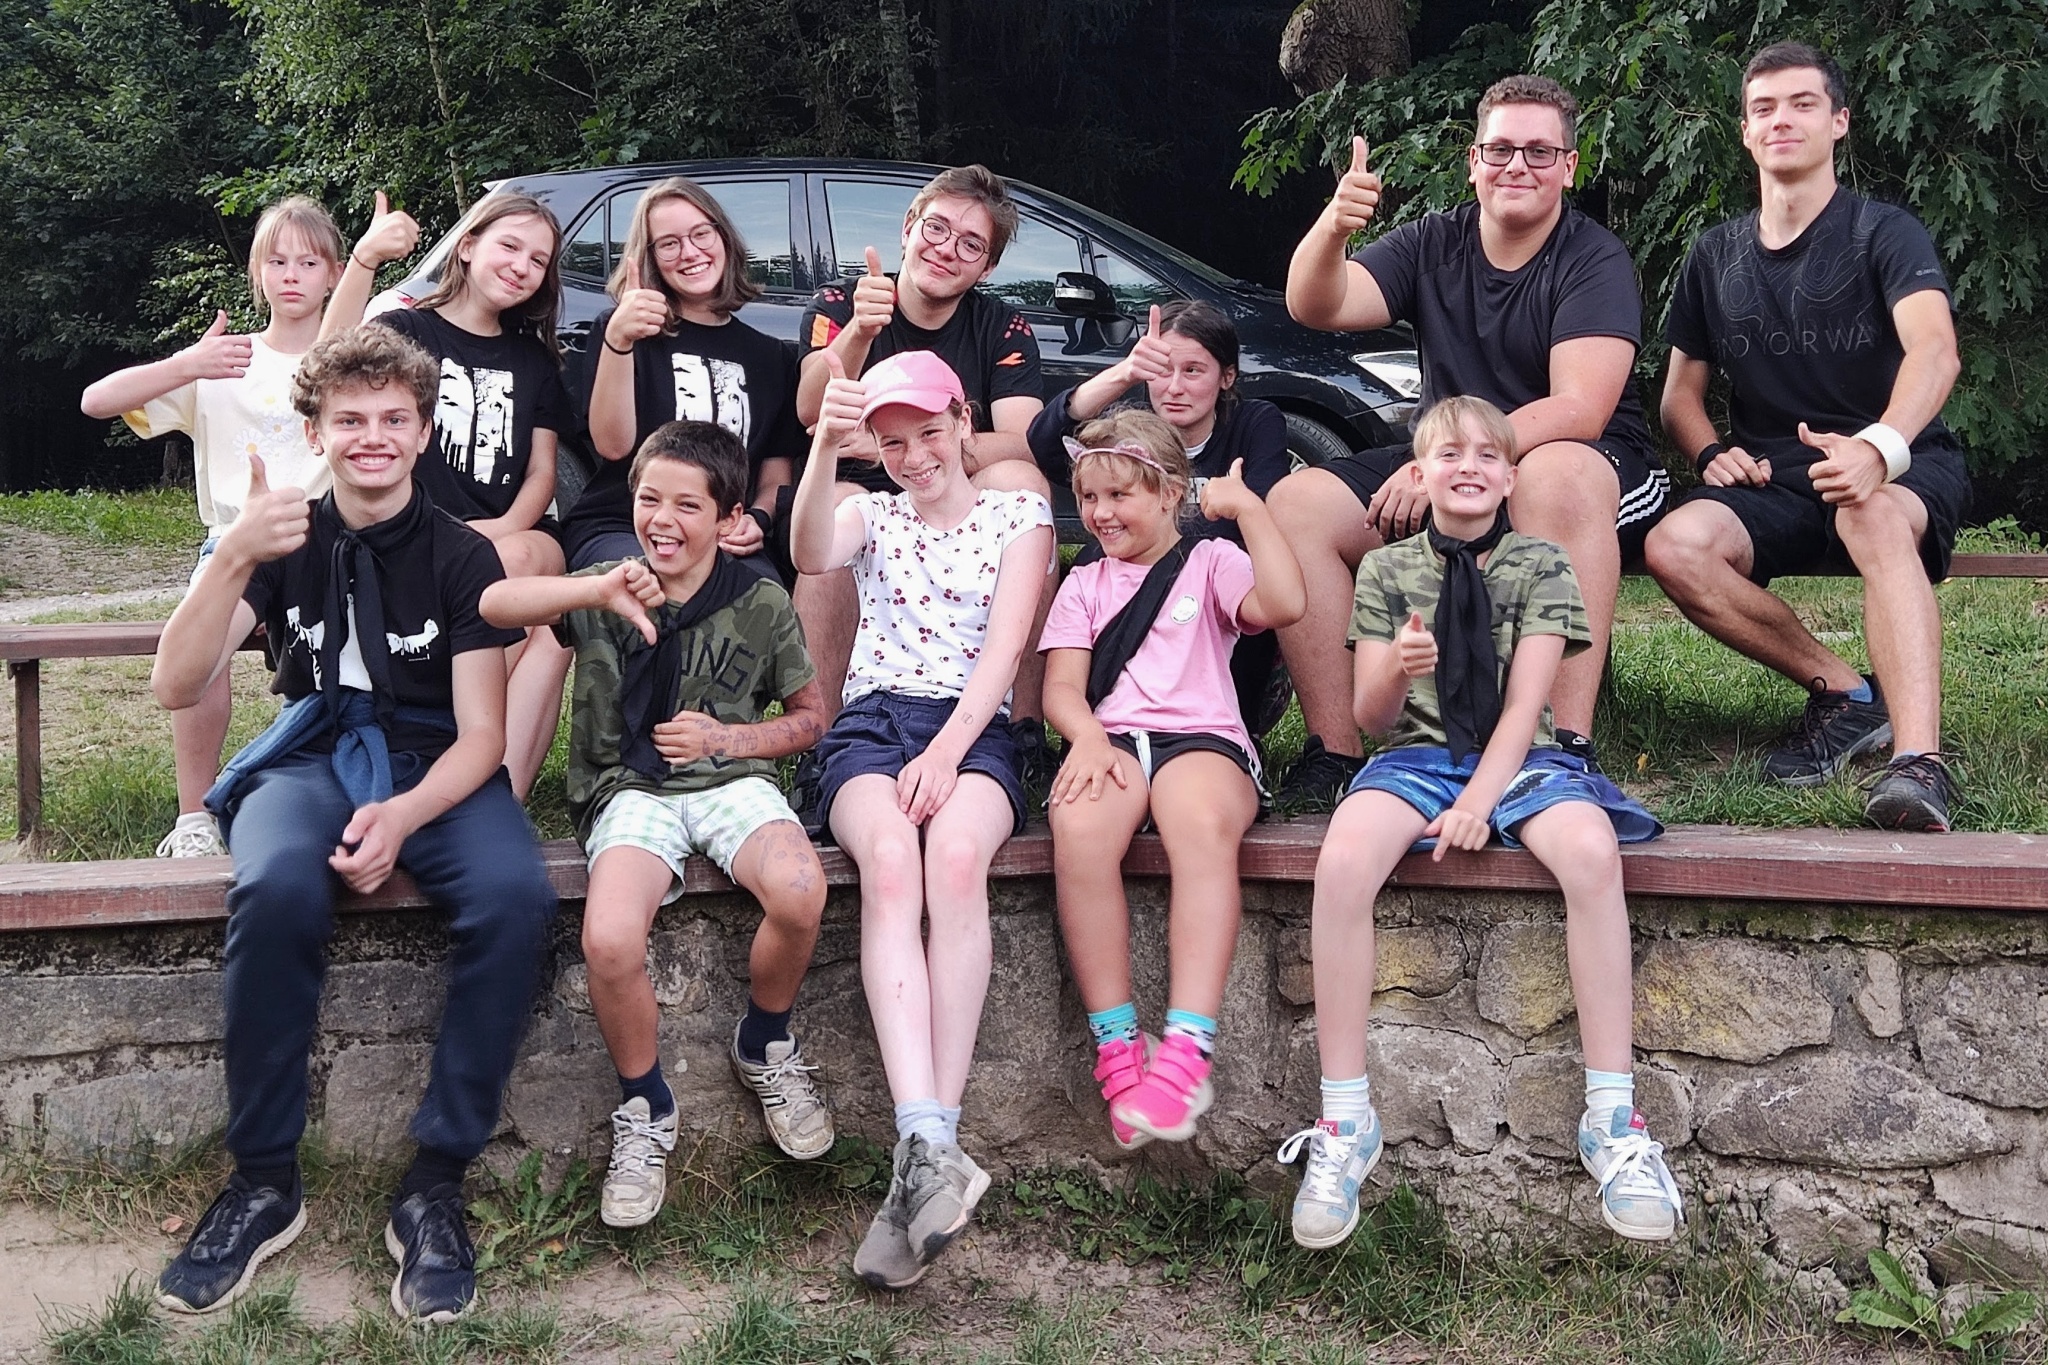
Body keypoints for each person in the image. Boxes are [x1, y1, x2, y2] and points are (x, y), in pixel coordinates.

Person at [148, 325, 557, 1322]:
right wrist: (232, 555)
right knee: (275, 885)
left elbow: (482, 737)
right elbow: (174, 684)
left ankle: (434, 1183)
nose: (372, 436)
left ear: (422, 434)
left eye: (392, 419)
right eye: (350, 419)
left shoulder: (463, 553)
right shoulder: (282, 538)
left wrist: (402, 815)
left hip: (431, 763)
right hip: (314, 751)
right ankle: (263, 1179)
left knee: (516, 898)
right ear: (316, 432)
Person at [1279, 395, 1678, 1250]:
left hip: (1521, 757)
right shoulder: (1387, 571)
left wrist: (1475, 805)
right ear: (1417, 475)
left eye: (1487, 456)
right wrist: (1397, 665)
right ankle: (1345, 1120)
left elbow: (1529, 705)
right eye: (1448, 454)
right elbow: (1372, 717)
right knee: (1343, 859)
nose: (1468, 467)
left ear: (1510, 478)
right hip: (1417, 758)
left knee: (1590, 851)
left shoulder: (1541, 565)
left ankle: (1613, 1118)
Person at [1269, 75, 1668, 805]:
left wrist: (1447, 463)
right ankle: (1337, 750)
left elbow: (1580, 408)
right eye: (1501, 149)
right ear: (1474, 162)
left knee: (1556, 476)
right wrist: (1332, 229)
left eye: (1540, 152)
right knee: (1296, 505)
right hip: (1451, 461)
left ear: (1570, 167)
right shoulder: (1433, 240)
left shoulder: (1594, 257)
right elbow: (1316, 305)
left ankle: (1563, 749)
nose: (1518, 165)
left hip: (1586, 463)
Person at [480, 419, 835, 1230]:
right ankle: (645, 1104)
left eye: (687, 505)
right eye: (648, 499)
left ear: (730, 516)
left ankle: (765, 1042)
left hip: (728, 776)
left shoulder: (759, 600)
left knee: (800, 888)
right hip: (629, 786)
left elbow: (810, 718)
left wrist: (728, 739)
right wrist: (588, 591)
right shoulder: (607, 583)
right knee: (609, 938)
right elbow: (493, 602)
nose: (662, 519)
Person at [1644, 43, 1972, 832]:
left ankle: (1918, 764)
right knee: (1674, 545)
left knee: (1871, 515)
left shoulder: (1884, 232)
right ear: (1745, 131)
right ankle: (1847, 693)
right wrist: (1709, 450)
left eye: (1801, 103)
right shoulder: (1714, 254)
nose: (1781, 120)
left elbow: (1935, 351)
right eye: (1763, 108)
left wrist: (1878, 449)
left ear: (1839, 121)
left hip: (1902, 462)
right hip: (1776, 479)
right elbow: (1680, 395)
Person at [788, 349, 1053, 1290]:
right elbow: (808, 552)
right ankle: (928, 1144)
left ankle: (926, 1153)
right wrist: (827, 445)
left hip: (973, 728)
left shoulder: (1020, 516)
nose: (914, 456)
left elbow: (1006, 648)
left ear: (964, 419)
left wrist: (946, 753)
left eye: (929, 432)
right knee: (892, 863)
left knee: (957, 861)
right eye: (892, 443)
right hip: (871, 723)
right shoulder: (874, 513)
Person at [1040, 410, 1304, 1150]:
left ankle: (1186, 1049)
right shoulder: (1084, 583)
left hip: (1202, 738)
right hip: (1112, 739)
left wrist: (1249, 510)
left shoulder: (1212, 561)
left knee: (1197, 822)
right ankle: (1118, 1047)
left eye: (1119, 495)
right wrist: (1088, 736)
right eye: (1089, 497)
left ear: (1168, 493)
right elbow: (1061, 687)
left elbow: (1286, 604)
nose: (1101, 513)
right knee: (1079, 829)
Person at [80, 196, 349, 858]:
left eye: (308, 262)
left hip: (330, 540)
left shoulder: (349, 358)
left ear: (335, 274)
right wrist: (186, 365)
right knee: (202, 652)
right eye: (276, 262)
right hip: (235, 541)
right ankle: (195, 817)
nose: (291, 275)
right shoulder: (223, 360)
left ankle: (330, 790)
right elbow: (96, 401)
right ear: (257, 273)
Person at [793, 165, 1059, 799]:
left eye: (971, 244)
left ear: (987, 266)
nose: (947, 249)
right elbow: (809, 409)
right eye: (936, 229)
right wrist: (862, 331)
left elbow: (1021, 437)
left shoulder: (1002, 326)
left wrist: (918, 445)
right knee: (840, 507)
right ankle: (823, 736)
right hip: (863, 485)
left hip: (952, 486)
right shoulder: (842, 304)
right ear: (909, 228)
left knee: (1024, 486)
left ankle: (1022, 725)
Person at [328, 192, 574, 801]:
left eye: (538, 260)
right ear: (467, 246)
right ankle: (447, 752)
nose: (521, 266)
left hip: (506, 531)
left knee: (541, 596)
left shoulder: (534, 359)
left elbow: (542, 473)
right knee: (527, 609)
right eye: (509, 246)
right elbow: (327, 368)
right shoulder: (407, 330)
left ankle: (495, 794)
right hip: (411, 533)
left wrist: (501, 528)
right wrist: (364, 259)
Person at [1028, 299, 1294, 731]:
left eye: (1193, 371)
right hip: (1130, 597)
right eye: (1161, 370)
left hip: (1216, 612)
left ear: (1227, 376)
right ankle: (1096, 714)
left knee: (1245, 570)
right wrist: (1125, 372)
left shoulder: (1254, 422)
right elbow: (1044, 443)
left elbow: (1261, 514)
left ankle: (1236, 718)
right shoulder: (1128, 431)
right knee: (1091, 562)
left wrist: (1187, 539)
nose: (1174, 387)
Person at [563, 177, 805, 585]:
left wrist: (758, 517)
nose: (690, 252)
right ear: (651, 258)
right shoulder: (626, 332)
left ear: (723, 238)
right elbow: (612, 446)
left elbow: (774, 471)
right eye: (669, 243)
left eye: (701, 234)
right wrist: (619, 340)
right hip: (624, 524)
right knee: (661, 587)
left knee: (762, 599)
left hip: (719, 536)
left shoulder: (769, 356)